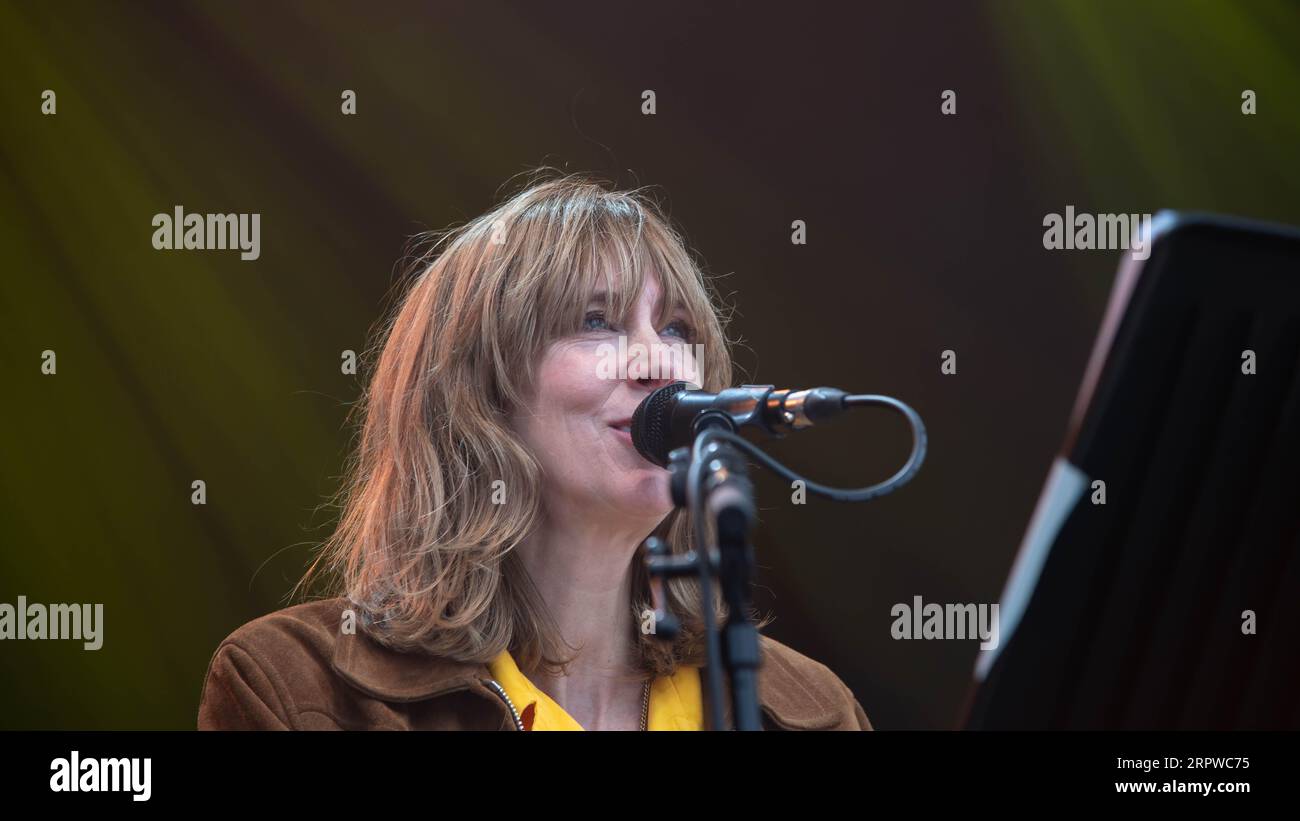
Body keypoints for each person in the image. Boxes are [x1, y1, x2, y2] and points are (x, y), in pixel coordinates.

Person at [197, 170, 871, 730]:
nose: (659, 362)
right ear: (477, 395)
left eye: (675, 326)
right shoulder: (294, 685)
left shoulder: (813, 709)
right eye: (596, 321)